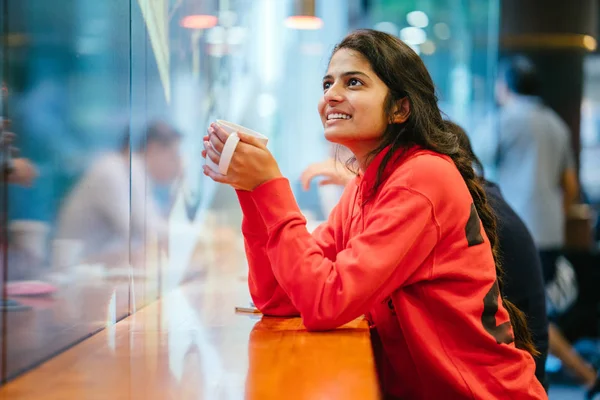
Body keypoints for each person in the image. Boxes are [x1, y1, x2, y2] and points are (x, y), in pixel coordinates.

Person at [202, 30, 546, 399]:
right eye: (327, 83)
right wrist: (251, 191)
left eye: (353, 82)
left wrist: (271, 185)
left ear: (400, 108)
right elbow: (278, 297)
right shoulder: (364, 188)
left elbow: (325, 302)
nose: (331, 95)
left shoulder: (422, 177)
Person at [491, 56, 579, 284]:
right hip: (549, 232)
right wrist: (558, 216)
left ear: (504, 86)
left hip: (511, 230)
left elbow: (472, 161)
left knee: (513, 305)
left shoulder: (504, 120)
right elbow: (570, 184)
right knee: (541, 304)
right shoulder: (557, 124)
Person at [55, 121, 181, 265]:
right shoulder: (113, 170)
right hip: (76, 274)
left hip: (93, 270)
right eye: (173, 156)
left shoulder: (133, 173)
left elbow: (154, 227)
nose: (177, 164)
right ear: (153, 149)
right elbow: (146, 232)